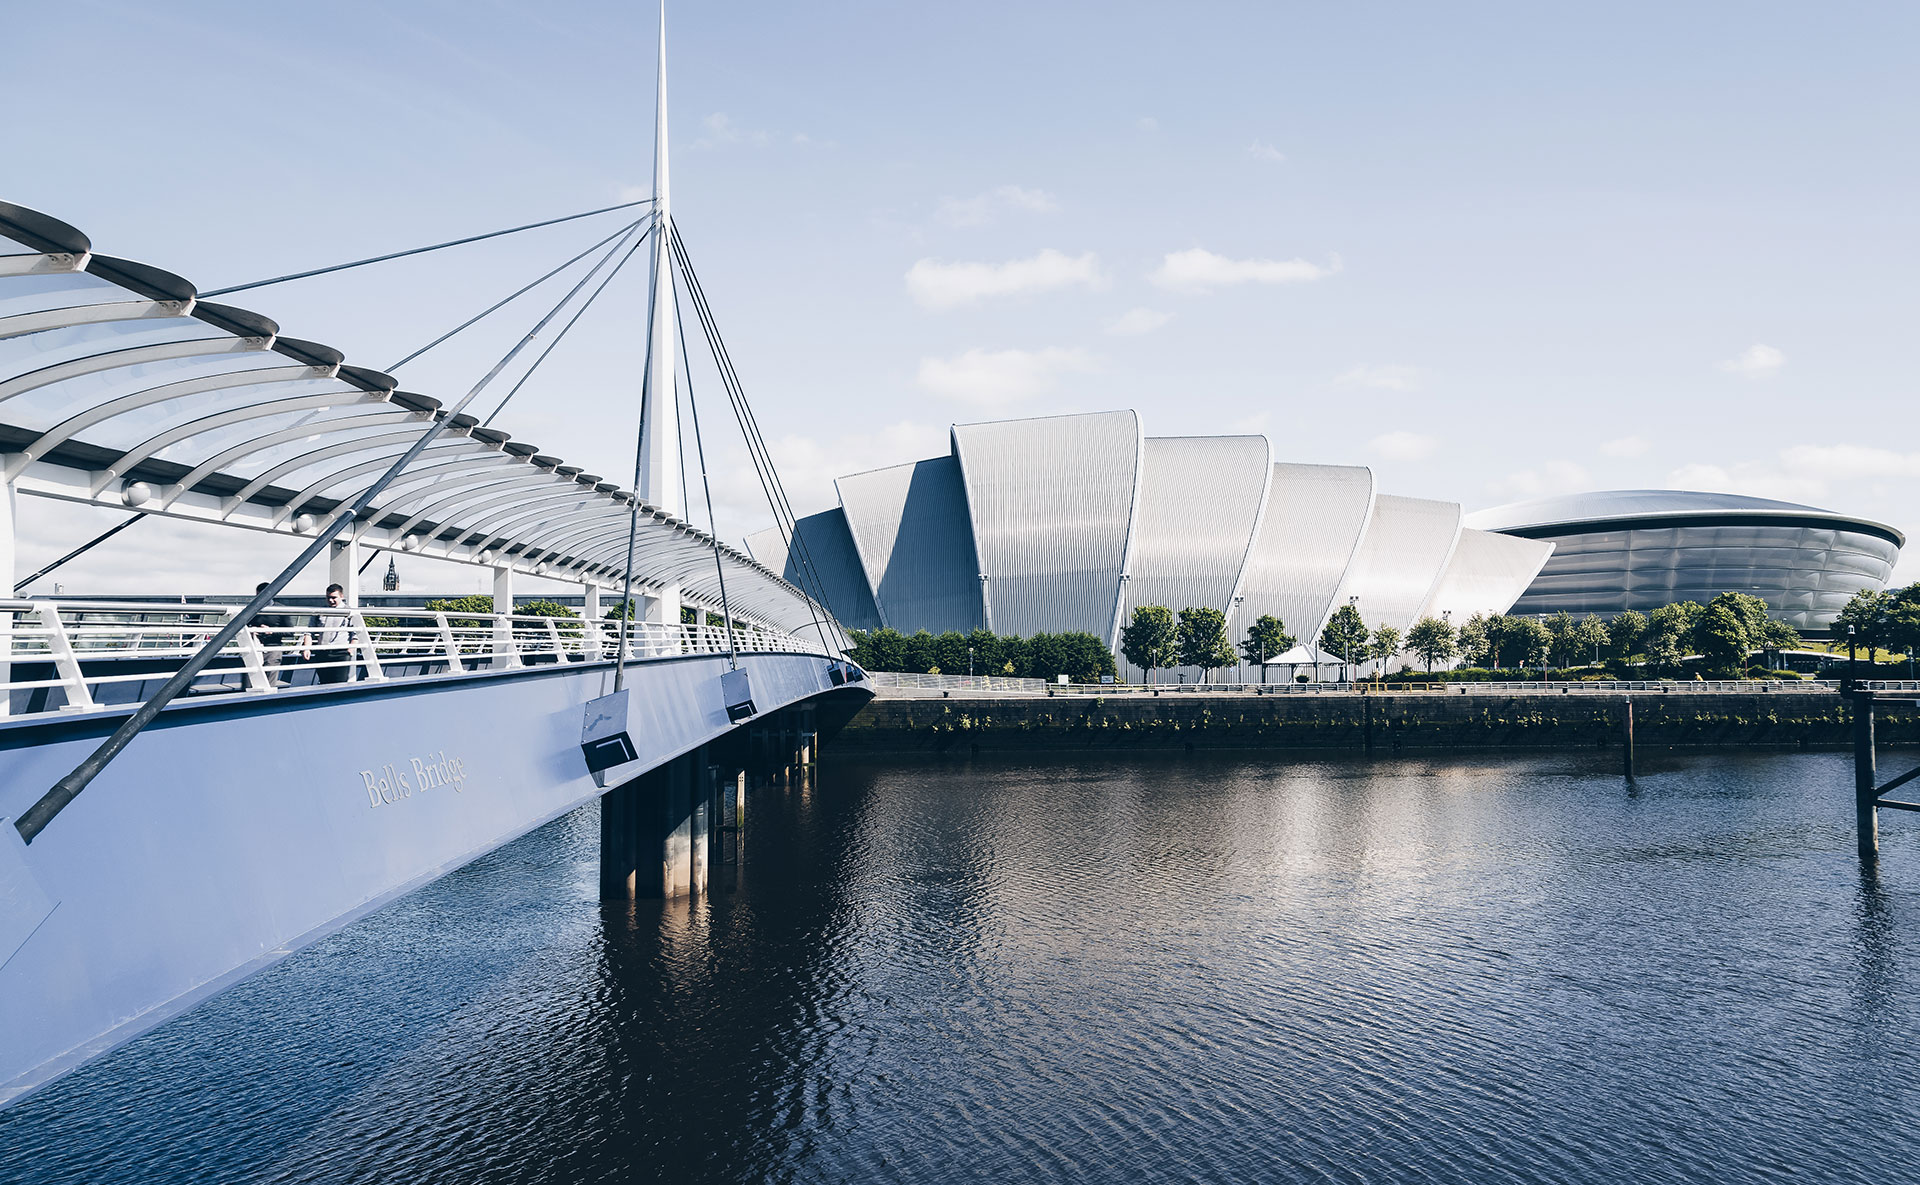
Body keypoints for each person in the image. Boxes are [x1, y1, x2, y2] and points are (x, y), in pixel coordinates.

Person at [248, 582, 299, 685]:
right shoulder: (252, 609)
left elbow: (290, 632)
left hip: (273, 648)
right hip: (255, 647)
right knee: (252, 679)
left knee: (269, 680)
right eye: (258, 596)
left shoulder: (280, 609)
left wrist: (271, 631)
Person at [309, 583, 355, 685]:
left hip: (341, 652)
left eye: (334, 598)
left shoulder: (349, 612)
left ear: (341, 596)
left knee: (340, 683)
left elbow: (355, 633)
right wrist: (307, 648)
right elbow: (309, 631)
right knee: (324, 683)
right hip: (322, 652)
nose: (330, 600)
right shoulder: (320, 611)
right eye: (328, 597)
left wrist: (350, 650)